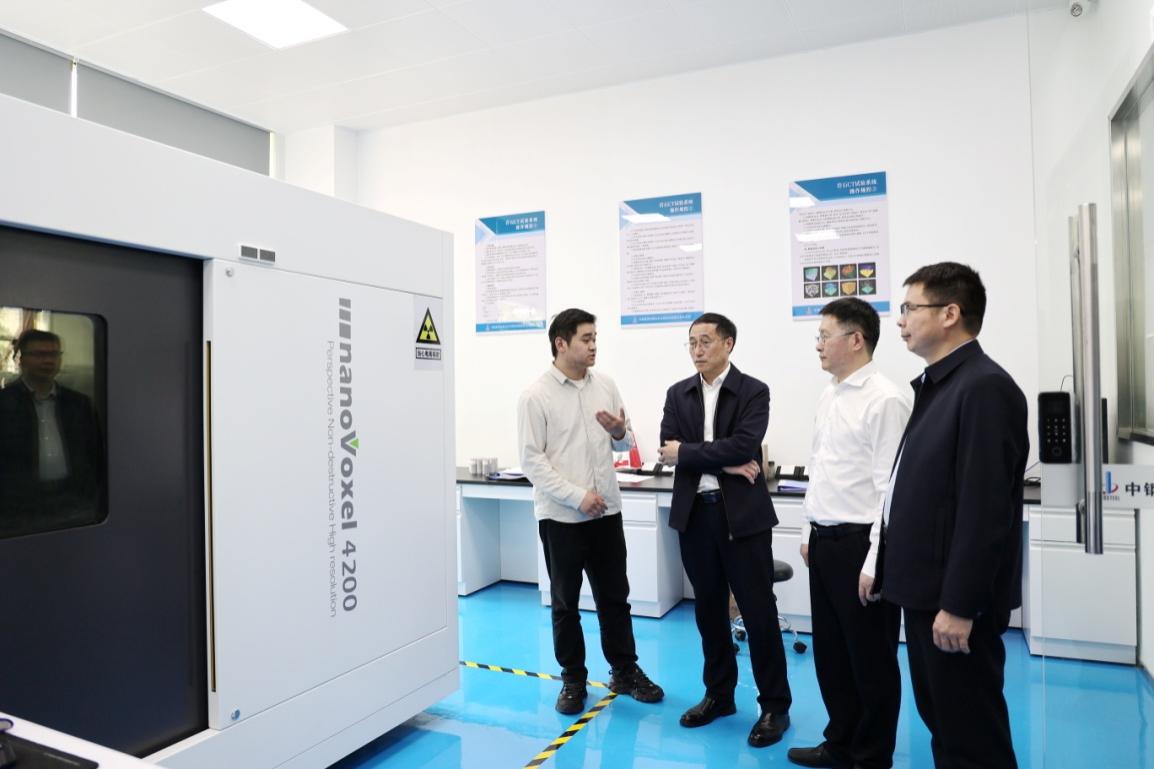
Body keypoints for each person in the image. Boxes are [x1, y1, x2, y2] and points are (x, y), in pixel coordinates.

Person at [881, 263, 1028, 768]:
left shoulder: (983, 388)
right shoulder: (940, 385)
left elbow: (985, 510)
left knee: (971, 737)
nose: (900, 320)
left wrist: (961, 605)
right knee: (944, 725)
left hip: (954, 604)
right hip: (927, 594)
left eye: (909, 308)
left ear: (949, 313)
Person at [517, 308, 664, 715]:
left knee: (615, 598)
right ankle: (573, 679)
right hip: (562, 518)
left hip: (606, 514)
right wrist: (576, 496)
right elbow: (532, 461)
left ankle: (624, 670)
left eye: (595, 338)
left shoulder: (606, 386)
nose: (594, 345)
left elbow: (624, 442)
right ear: (561, 343)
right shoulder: (535, 396)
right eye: (586, 338)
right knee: (565, 603)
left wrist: (620, 433)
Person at [657, 312, 792, 748]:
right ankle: (719, 695)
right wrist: (725, 463)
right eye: (692, 343)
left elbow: (743, 445)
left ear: (728, 344)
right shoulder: (678, 393)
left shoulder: (753, 390)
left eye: (706, 342)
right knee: (708, 610)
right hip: (695, 516)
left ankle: (775, 705)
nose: (697, 350)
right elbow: (667, 450)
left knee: (757, 611)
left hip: (742, 519)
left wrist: (693, 453)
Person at [787, 298, 909, 769]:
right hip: (824, 543)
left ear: (856, 339)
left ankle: (871, 757)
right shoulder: (831, 394)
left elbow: (890, 491)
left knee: (871, 660)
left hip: (862, 546)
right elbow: (818, 467)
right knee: (832, 655)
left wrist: (876, 560)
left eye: (824, 335)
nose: (818, 345)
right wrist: (807, 529)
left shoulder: (885, 400)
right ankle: (840, 743)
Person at [0, 329, 103, 536]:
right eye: (39, 354)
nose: (48, 361)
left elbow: (95, 454)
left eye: (54, 354)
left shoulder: (79, 404)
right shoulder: (3, 403)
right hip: (17, 509)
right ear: (21, 359)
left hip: (73, 504)